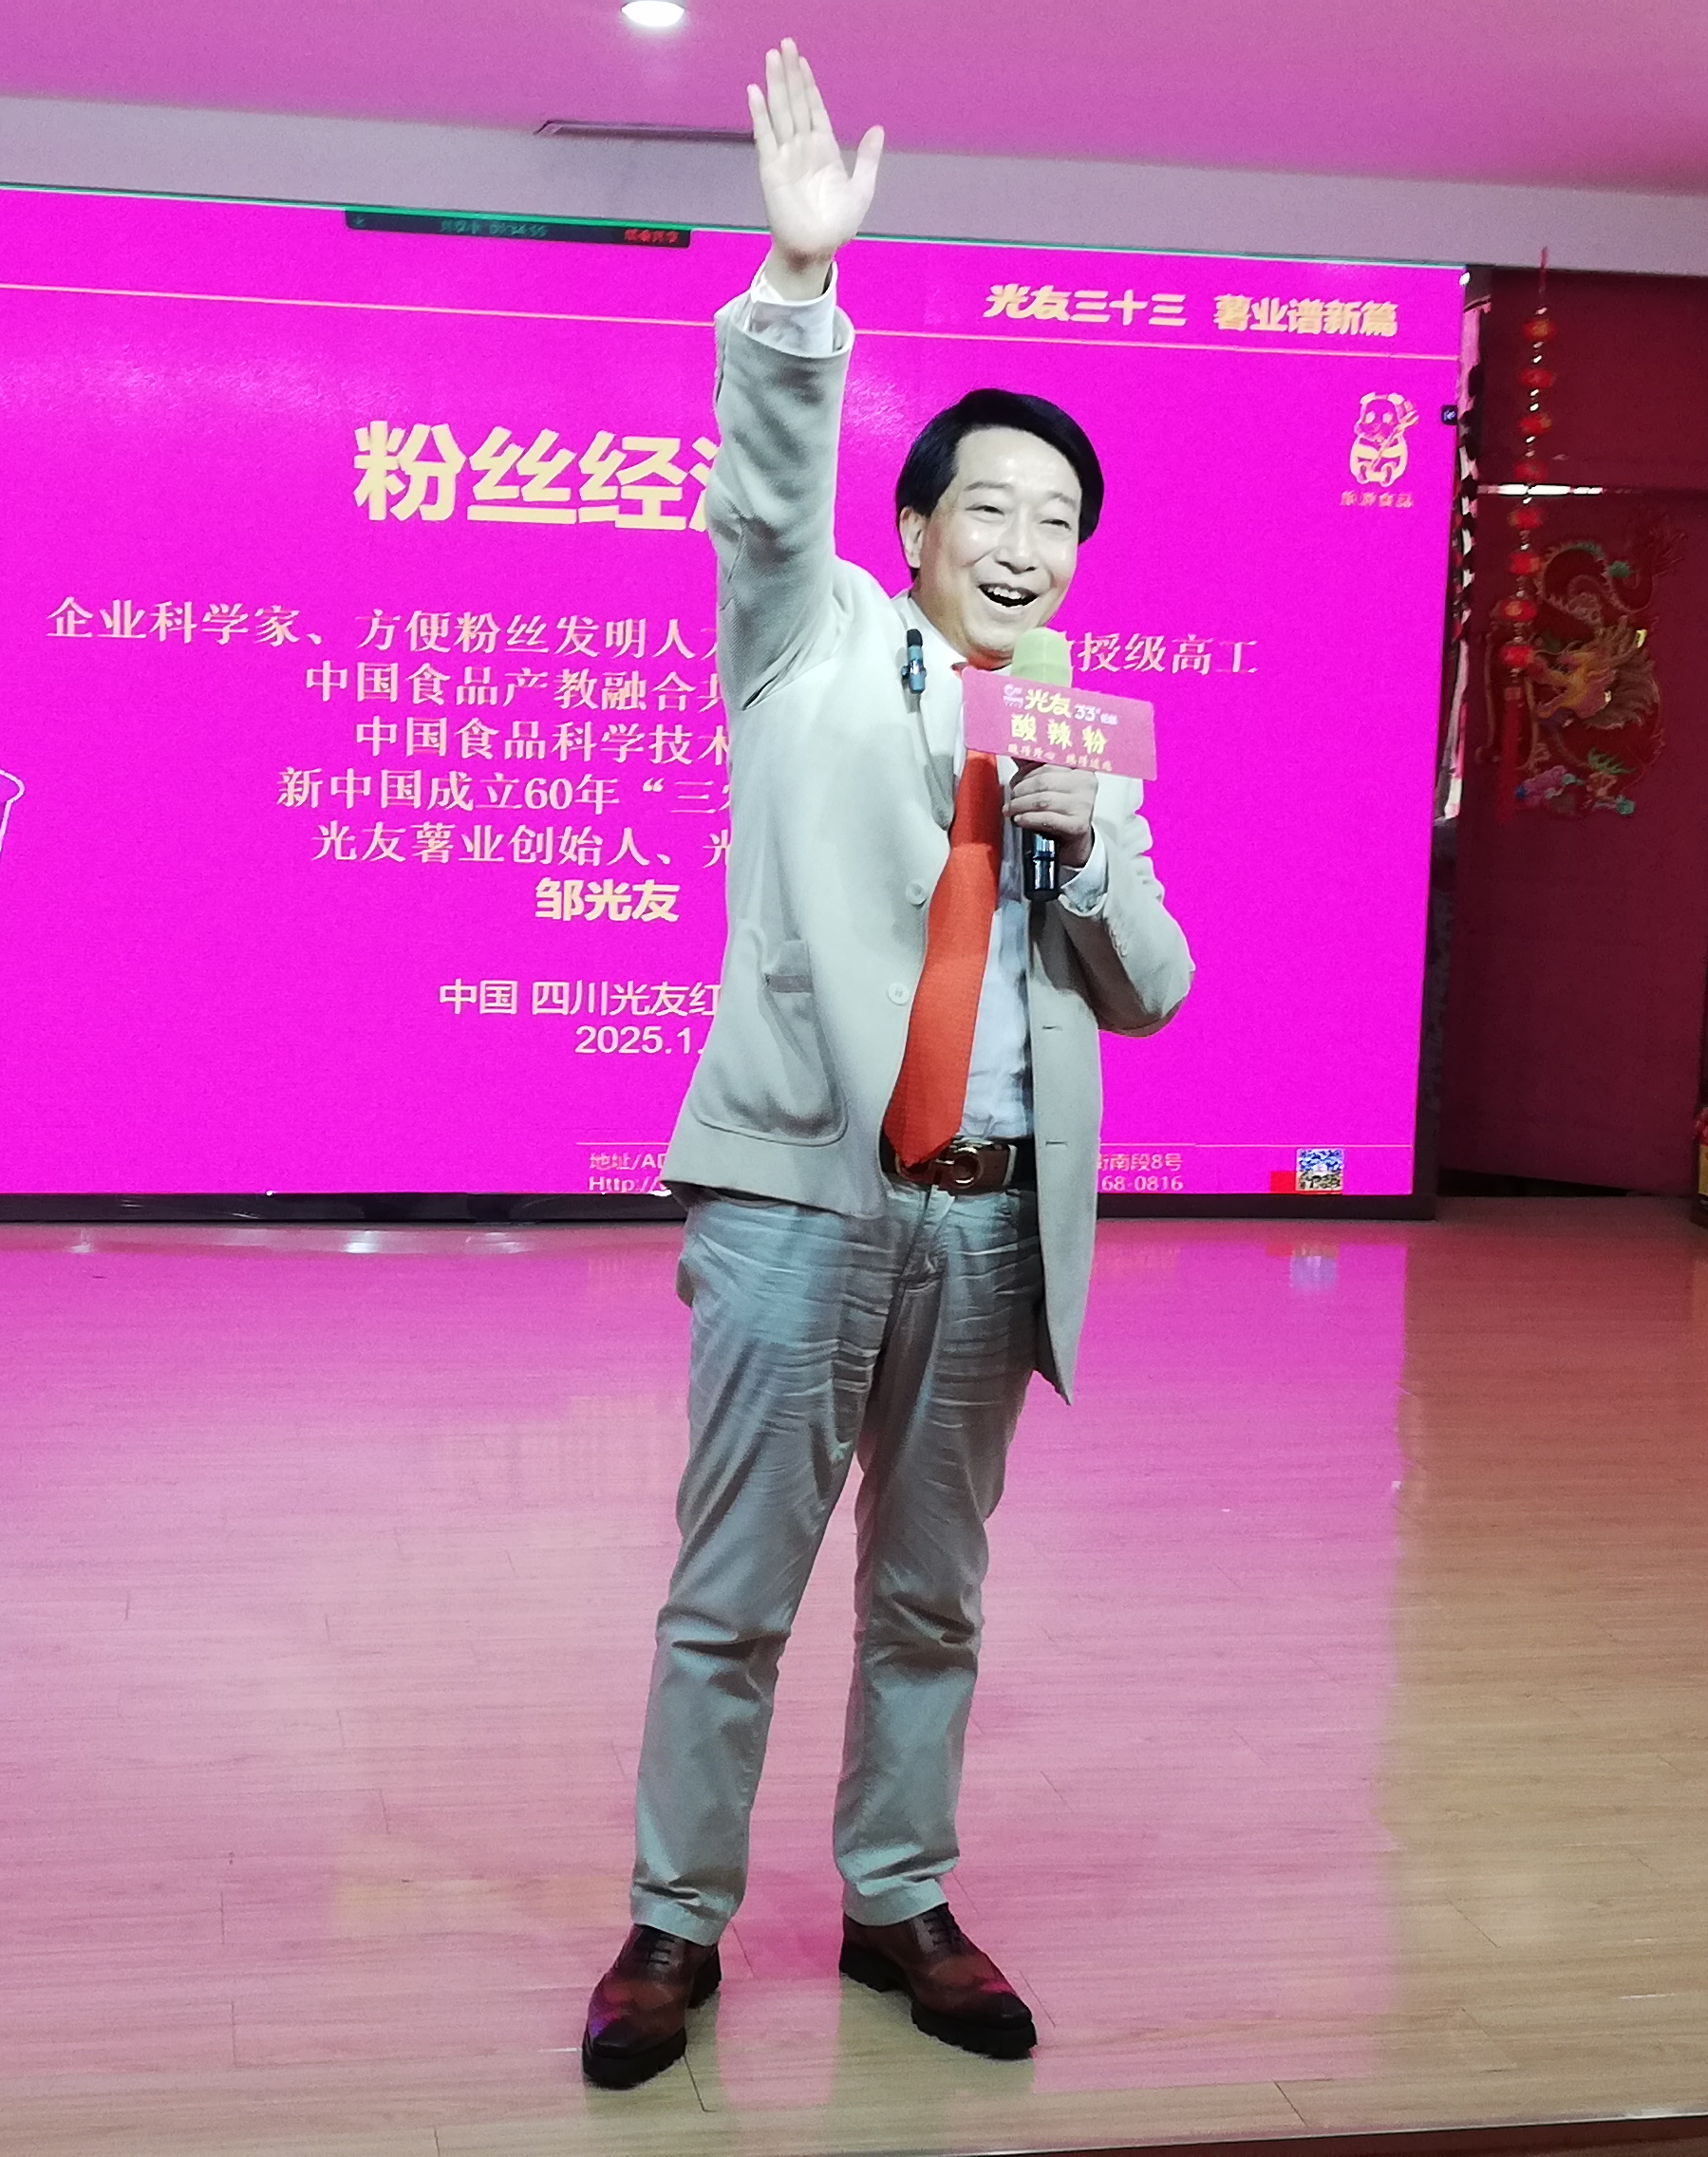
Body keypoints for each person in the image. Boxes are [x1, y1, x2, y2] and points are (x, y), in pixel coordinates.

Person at [581, 40, 1196, 2091]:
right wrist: (796, 279)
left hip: (992, 1226)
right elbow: (766, 478)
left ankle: (895, 1898)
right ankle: (672, 1922)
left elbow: (1152, 987)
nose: (1025, 543)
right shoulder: (810, 635)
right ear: (918, 524)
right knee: (732, 1592)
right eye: (990, 507)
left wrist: (1086, 851)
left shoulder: (1078, 730)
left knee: (932, 1596)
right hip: (797, 1200)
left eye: (1059, 522)